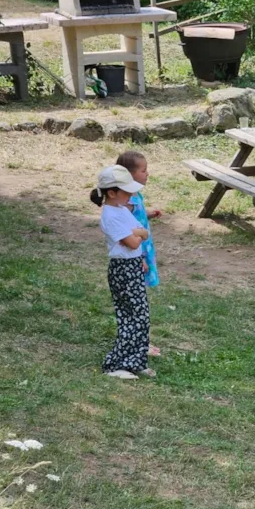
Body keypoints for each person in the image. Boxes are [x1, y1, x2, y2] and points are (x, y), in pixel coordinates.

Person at [90, 165, 155, 380]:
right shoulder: (111, 215)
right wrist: (138, 235)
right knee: (131, 317)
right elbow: (133, 242)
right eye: (127, 191)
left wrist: (138, 236)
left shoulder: (121, 210)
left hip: (133, 266)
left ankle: (135, 361)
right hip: (123, 270)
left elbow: (140, 232)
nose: (132, 195)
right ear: (112, 193)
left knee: (141, 317)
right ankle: (115, 364)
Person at [115, 151, 162, 358]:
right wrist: (141, 259)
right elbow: (126, 230)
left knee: (139, 301)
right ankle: (140, 343)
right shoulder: (126, 201)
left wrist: (148, 214)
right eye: (143, 170)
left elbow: (136, 219)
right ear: (128, 175)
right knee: (137, 305)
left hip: (141, 251)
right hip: (136, 255)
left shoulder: (134, 197)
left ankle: (140, 340)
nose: (147, 174)